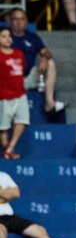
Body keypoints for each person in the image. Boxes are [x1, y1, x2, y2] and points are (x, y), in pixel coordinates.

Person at [7, 9, 66, 115]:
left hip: (28, 77)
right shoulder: (4, 36)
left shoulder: (33, 37)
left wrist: (44, 58)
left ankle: (49, 103)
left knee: (50, 62)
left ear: (26, 21)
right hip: (8, 79)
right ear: (10, 21)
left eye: (22, 19)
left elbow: (47, 52)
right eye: (15, 19)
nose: (19, 22)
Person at [0, 28, 28, 159]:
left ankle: (10, 147)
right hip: (3, 95)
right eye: (3, 36)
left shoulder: (18, 53)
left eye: (9, 36)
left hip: (20, 94)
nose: (7, 39)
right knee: (3, 126)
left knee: (23, 120)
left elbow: (22, 72)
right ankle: (7, 152)